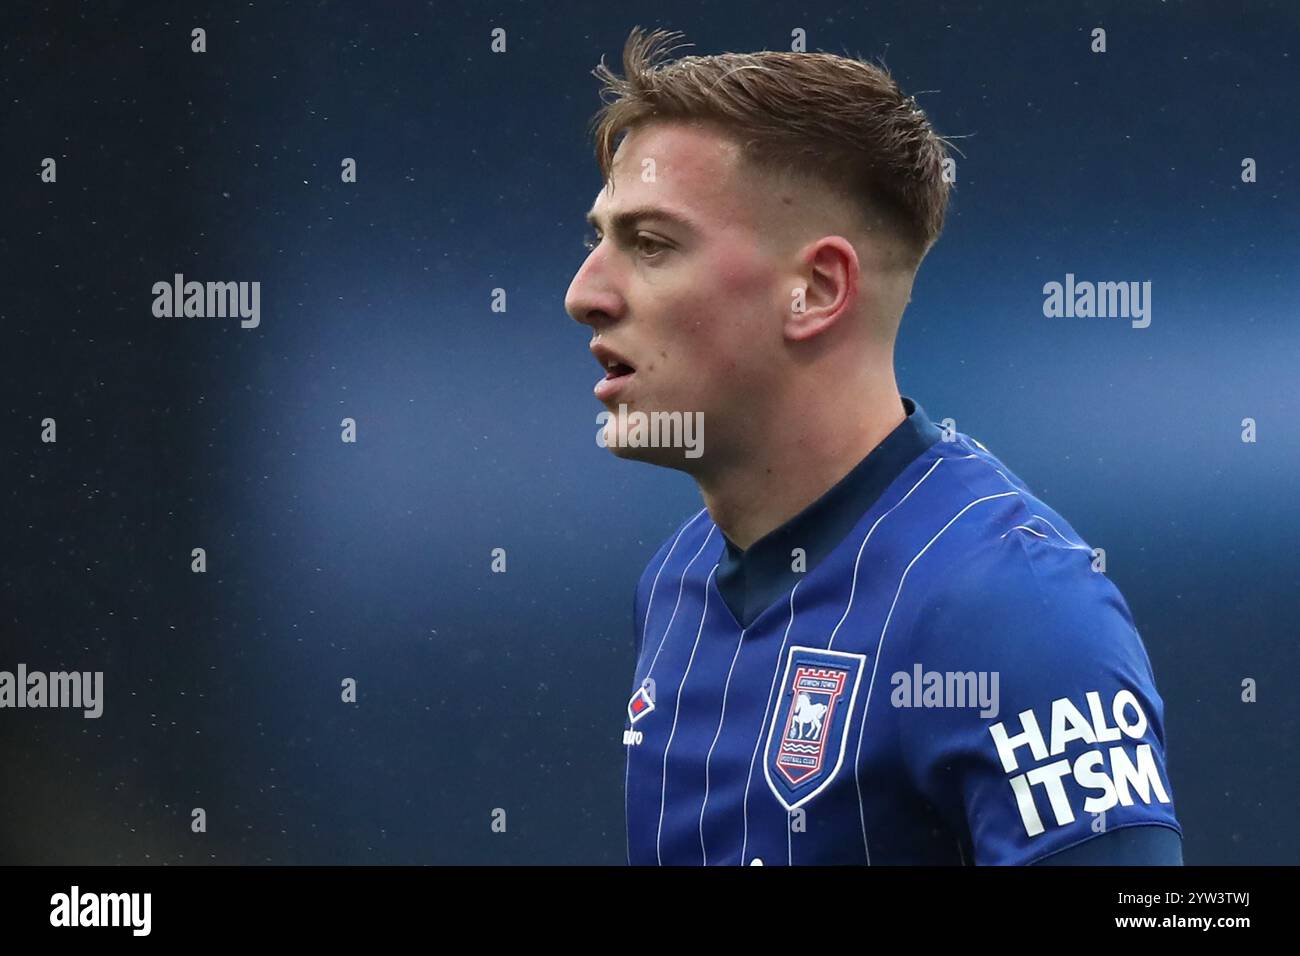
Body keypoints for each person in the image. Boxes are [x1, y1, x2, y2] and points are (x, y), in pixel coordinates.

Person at [564, 27, 1183, 865]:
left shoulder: (1014, 608)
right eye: (598, 239)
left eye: (650, 244)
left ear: (816, 289)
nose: (586, 294)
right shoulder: (675, 583)